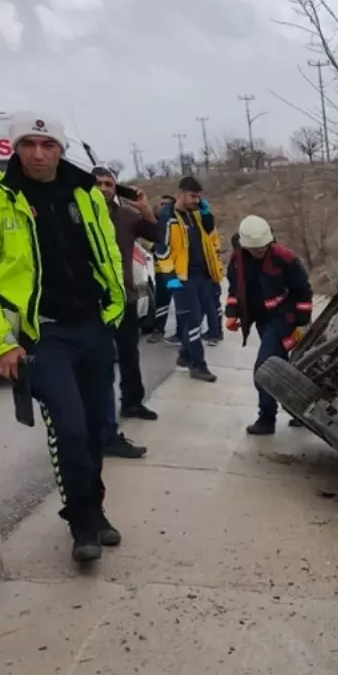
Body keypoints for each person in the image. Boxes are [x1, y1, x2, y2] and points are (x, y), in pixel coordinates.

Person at [0, 113, 125, 563]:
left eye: (46, 144)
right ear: (15, 147)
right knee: (69, 427)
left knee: (96, 430)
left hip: (91, 324)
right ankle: (81, 523)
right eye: (28, 143)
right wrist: (1, 342)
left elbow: (106, 249)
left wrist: (116, 308)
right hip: (42, 334)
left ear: (60, 148)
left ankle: (97, 510)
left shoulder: (85, 190)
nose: (37, 153)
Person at [92, 166, 159, 458]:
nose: (104, 188)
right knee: (101, 362)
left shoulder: (126, 216)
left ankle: (133, 401)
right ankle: (101, 426)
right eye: (99, 184)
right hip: (95, 303)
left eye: (109, 184)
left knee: (129, 353)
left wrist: (144, 207)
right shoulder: (80, 214)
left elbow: (156, 234)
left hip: (126, 298)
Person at [225, 215, 314, 435]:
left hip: (284, 320)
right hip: (262, 320)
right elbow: (235, 290)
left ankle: (266, 418)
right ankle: (299, 412)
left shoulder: (285, 259)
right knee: (282, 367)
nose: (260, 252)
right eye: (256, 249)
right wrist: (232, 313)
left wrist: (302, 324)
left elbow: (303, 293)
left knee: (265, 368)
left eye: (264, 247)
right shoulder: (238, 261)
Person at [154, 176, 221, 382]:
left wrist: (205, 211)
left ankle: (185, 354)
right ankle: (197, 365)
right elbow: (161, 250)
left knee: (198, 317)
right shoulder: (168, 217)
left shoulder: (196, 214)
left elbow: (210, 231)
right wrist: (171, 280)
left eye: (199, 197)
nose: (196, 200)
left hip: (203, 274)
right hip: (183, 278)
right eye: (193, 196)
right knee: (192, 320)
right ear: (180, 194)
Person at [147, 193, 177, 341]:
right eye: (161, 204)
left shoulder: (176, 224)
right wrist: (152, 246)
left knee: (180, 301)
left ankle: (181, 332)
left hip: (175, 272)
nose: (163, 207)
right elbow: (146, 241)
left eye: (167, 204)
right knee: (161, 300)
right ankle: (158, 330)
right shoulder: (155, 224)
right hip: (160, 271)